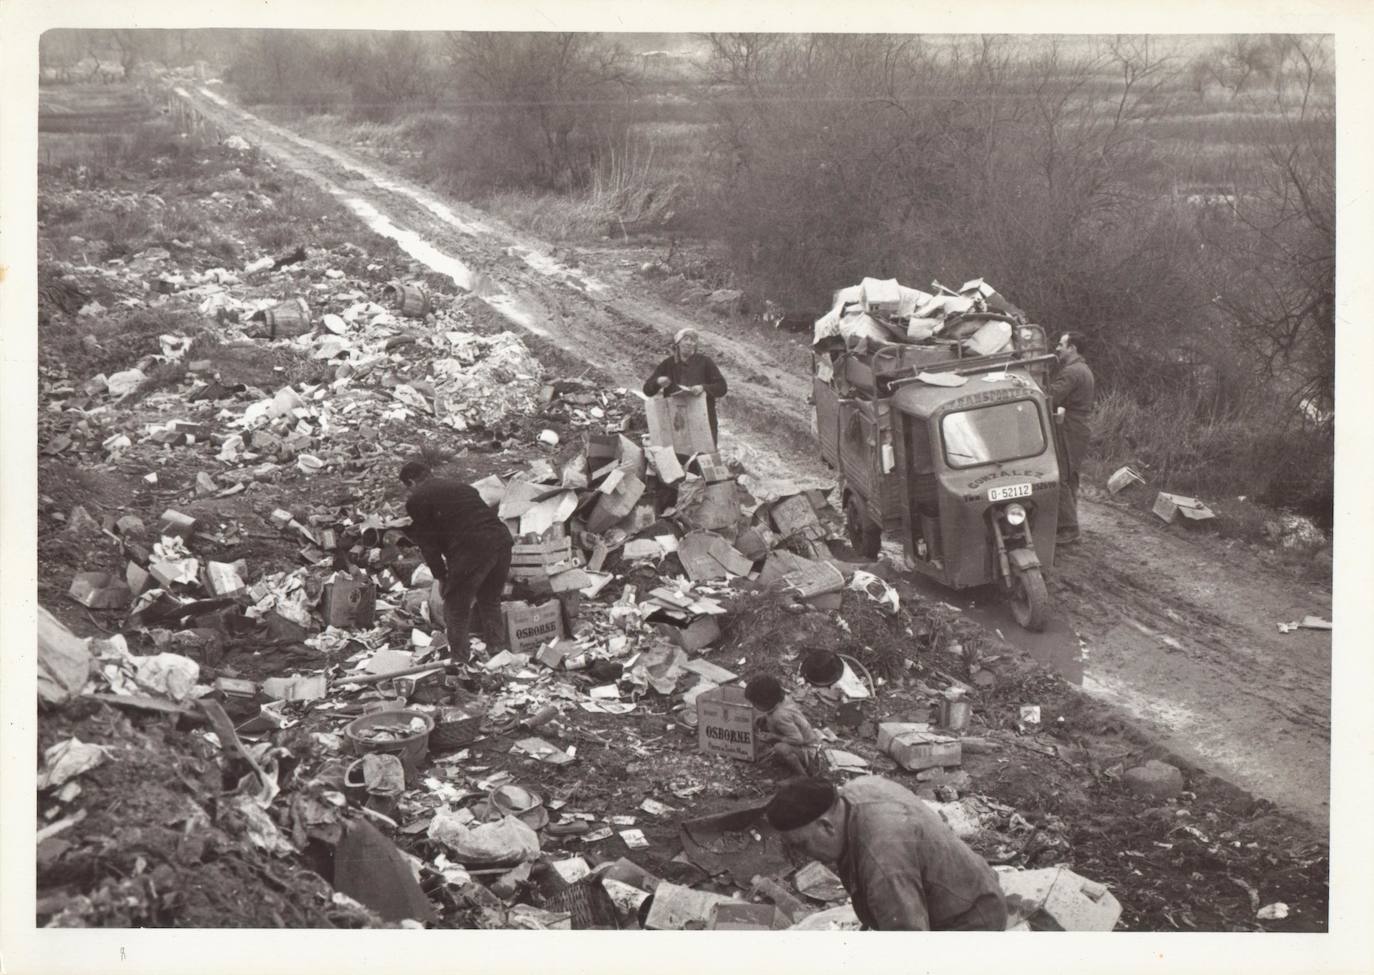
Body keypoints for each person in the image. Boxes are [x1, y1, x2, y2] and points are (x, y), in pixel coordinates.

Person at [765, 775, 1008, 931]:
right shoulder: (856, 791)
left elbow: (907, 943)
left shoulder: (883, 861)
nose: (805, 855)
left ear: (826, 826)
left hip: (970, 922)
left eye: (802, 844)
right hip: (965, 892)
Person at [399, 460, 512, 666]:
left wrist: (441, 576)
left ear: (411, 482)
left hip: (472, 547)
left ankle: (460, 662)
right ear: (428, 472)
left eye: (408, 488)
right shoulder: (462, 487)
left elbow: (428, 543)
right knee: (490, 599)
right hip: (501, 540)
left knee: (455, 607)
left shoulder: (417, 499)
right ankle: (498, 652)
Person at [642, 327, 728, 447]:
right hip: (677, 422)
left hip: (703, 420)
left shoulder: (705, 362)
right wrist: (657, 382)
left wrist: (703, 387)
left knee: (703, 459)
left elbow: (722, 387)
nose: (689, 342)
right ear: (678, 343)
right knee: (679, 459)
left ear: (695, 344)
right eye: (685, 339)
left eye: (692, 340)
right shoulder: (668, 364)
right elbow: (647, 390)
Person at [1047, 330, 1095, 546]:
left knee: (1061, 476)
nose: (1057, 348)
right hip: (1079, 427)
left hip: (1071, 427)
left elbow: (1051, 397)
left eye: (1061, 345)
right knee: (1071, 475)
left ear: (1072, 348)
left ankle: (1068, 528)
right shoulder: (1081, 369)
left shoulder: (1072, 372)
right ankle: (1069, 522)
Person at [744, 675, 826, 777]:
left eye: (755, 704)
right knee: (763, 723)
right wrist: (765, 716)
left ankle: (803, 775)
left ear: (766, 702)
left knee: (780, 748)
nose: (753, 706)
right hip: (805, 739)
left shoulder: (779, 716)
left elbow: (798, 740)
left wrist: (774, 737)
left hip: (808, 749)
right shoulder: (782, 700)